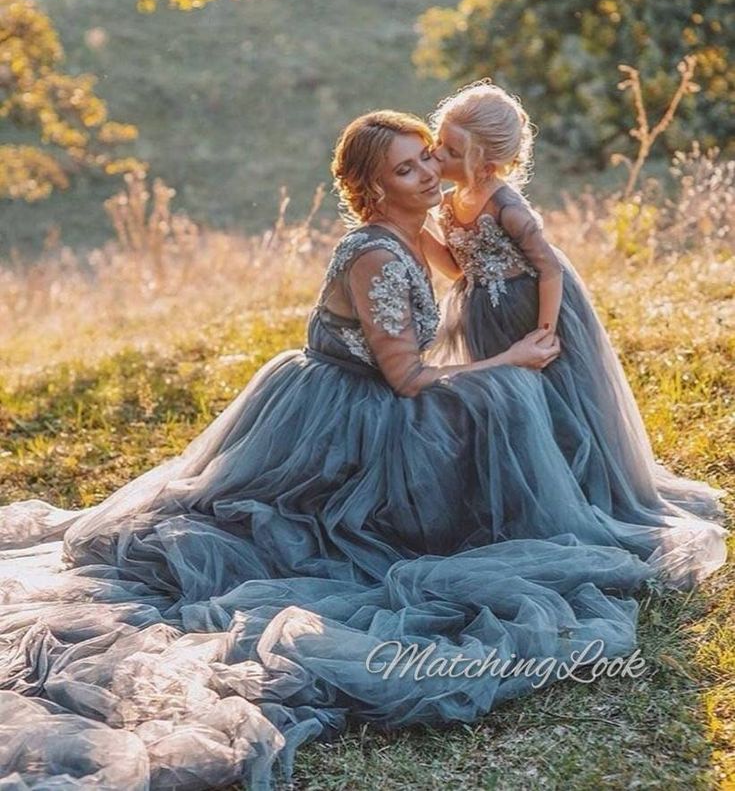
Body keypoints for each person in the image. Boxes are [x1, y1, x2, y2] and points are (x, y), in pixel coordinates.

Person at [0, 111, 725, 791]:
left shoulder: (415, 232)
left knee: (506, 397)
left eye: (427, 160)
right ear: (373, 187)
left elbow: (474, 254)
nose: (428, 176)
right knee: (499, 394)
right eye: (408, 170)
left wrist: (514, 258)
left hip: (375, 397)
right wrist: (511, 358)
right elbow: (408, 376)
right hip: (342, 414)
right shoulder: (375, 254)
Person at [425, 79, 729, 525]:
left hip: (531, 311)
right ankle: (518, 481)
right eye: (438, 143)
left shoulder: (508, 208)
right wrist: (417, 229)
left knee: (554, 398)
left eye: (450, 151)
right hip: (483, 316)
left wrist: (543, 335)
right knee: (504, 397)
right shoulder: (450, 204)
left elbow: (548, 269)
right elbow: (459, 269)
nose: (436, 156)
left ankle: (573, 486)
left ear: (486, 164)